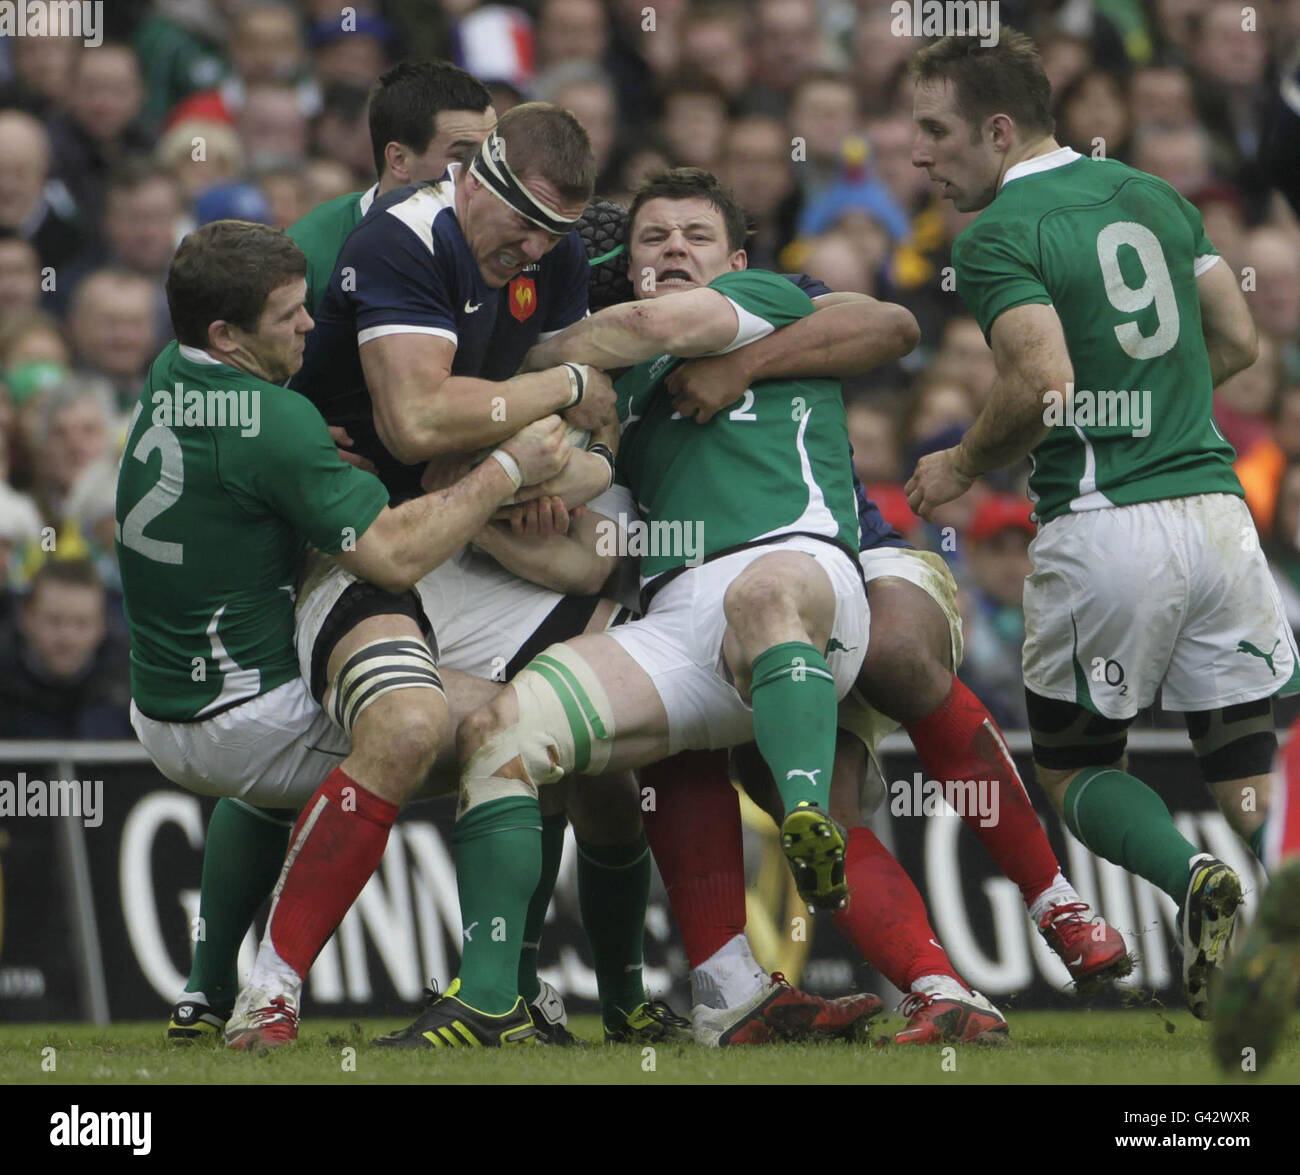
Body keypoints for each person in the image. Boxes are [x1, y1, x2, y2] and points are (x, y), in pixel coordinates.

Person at [378, 166, 884, 1047]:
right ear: (628, 260)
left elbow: (659, 322)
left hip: (803, 577)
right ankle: (494, 998)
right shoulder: (618, 394)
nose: (674, 250)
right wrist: (498, 509)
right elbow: (587, 555)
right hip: (676, 622)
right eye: (654, 239)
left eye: (694, 236)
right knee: (504, 728)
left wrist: (534, 357)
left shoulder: (763, 301)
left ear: (734, 257)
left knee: (761, 596)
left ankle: (807, 815)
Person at [903, 33, 1292, 1019]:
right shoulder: (1154, 194)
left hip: (1101, 522)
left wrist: (957, 461)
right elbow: (1240, 339)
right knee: (1242, 751)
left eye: (936, 130)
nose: (920, 154)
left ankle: (1196, 878)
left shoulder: (995, 234)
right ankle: (1270, 935)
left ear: (998, 129)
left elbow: (1042, 379)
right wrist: (1161, 405)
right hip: (1216, 513)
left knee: (1075, 768)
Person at [117, 219, 570, 1047]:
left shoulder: (170, 370)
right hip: (241, 722)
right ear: (227, 333)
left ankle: (205, 991)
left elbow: (237, 470)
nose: (308, 326)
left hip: (160, 710)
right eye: (289, 314)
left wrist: (301, 478)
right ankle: (296, 991)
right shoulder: (273, 421)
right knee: (494, 724)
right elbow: (395, 556)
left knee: (385, 711)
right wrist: (508, 469)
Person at [165, 59, 496, 1044]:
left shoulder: (497, 247)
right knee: (306, 734)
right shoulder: (312, 243)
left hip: (455, 527)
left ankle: (508, 977)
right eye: (461, 158)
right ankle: (210, 977)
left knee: (530, 706)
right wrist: (295, 423)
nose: (482, 182)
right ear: (396, 157)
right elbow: (194, 361)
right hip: (338, 534)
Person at [288, 60, 496, 314]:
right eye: (462, 156)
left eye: (491, 154)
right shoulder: (308, 251)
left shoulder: (520, 242)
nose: (487, 173)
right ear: (399, 160)